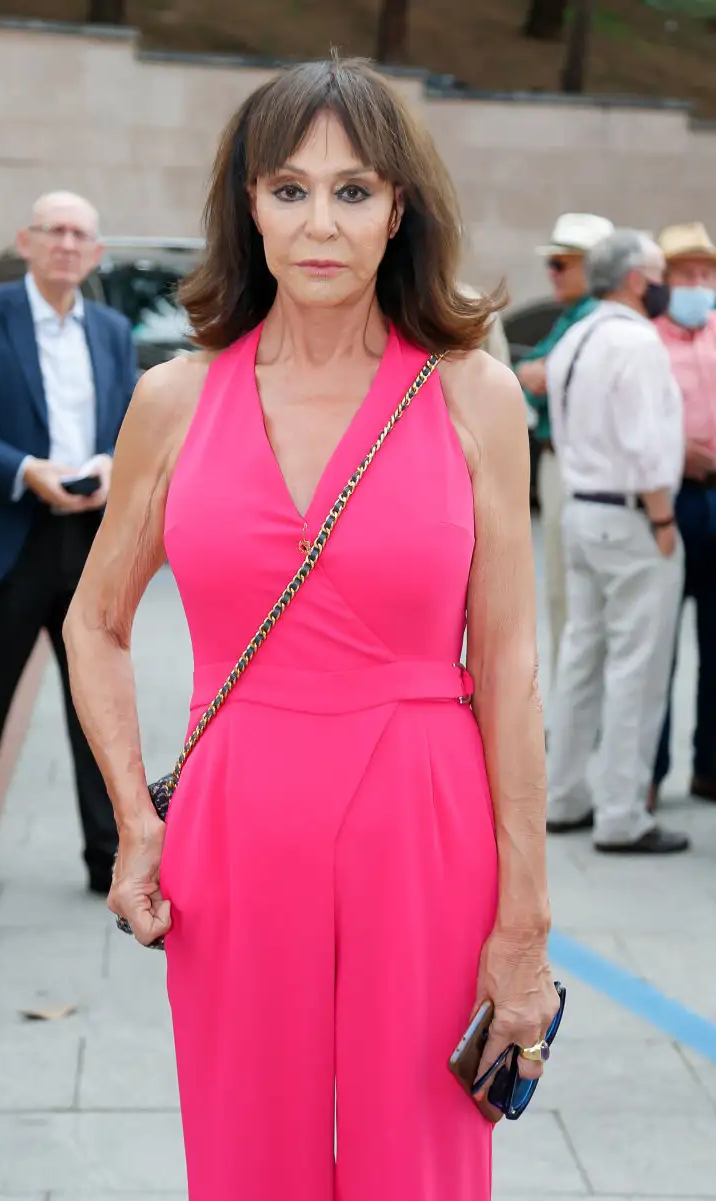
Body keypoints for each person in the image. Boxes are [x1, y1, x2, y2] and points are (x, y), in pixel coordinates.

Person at [63, 59, 559, 1201]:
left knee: (418, 1162)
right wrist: (137, 819)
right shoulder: (175, 400)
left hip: (425, 819)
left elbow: (512, 666)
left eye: (352, 191)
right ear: (246, 203)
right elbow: (96, 624)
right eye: (288, 189)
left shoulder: (470, 392)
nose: (319, 223)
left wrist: (524, 916)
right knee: (246, 1159)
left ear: (399, 209)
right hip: (233, 825)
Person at [0, 191, 137, 898]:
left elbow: (131, 419)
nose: (68, 244)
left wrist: (110, 461)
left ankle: (108, 851)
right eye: (55, 231)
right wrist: (25, 470)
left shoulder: (109, 327)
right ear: (28, 241)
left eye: (81, 234)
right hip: (3, 538)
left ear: (95, 253)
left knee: (97, 703)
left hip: (89, 537)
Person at [544, 230, 688, 854]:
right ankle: (622, 814)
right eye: (659, 273)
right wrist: (662, 518)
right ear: (635, 279)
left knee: (582, 658)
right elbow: (644, 442)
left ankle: (564, 795)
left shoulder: (578, 334)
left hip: (583, 510)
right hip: (631, 518)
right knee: (637, 667)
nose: (667, 286)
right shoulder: (636, 342)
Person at [515, 212, 614, 678]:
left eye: (562, 263)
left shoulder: (602, 323)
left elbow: (540, 375)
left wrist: (543, 375)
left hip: (588, 473)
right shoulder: (573, 317)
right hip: (564, 467)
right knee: (562, 595)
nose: (552, 272)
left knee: (585, 601)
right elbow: (531, 372)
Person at [650, 221, 716, 810]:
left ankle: (710, 767)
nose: (698, 284)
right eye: (686, 274)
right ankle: (651, 769)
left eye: (705, 274)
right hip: (669, 498)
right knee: (658, 642)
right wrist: (676, 453)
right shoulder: (647, 340)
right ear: (665, 281)